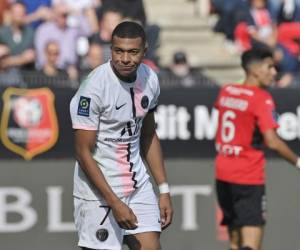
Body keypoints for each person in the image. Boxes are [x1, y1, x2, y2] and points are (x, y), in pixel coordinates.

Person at [69, 21, 173, 250]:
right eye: (119, 51)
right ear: (111, 49)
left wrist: (163, 190)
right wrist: (114, 202)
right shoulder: (93, 89)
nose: (125, 58)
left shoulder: (150, 79)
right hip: (98, 192)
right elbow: (82, 152)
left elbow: (148, 135)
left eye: (133, 52)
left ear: (144, 52)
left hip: (138, 185)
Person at [214, 48, 300, 250]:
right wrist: (297, 161)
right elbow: (272, 141)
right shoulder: (261, 98)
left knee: (235, 242)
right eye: (269, 67)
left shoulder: (226, 91)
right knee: (251, 245)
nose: (274, 72)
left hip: (223, 175)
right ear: (254, 70)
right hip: (248, 177)